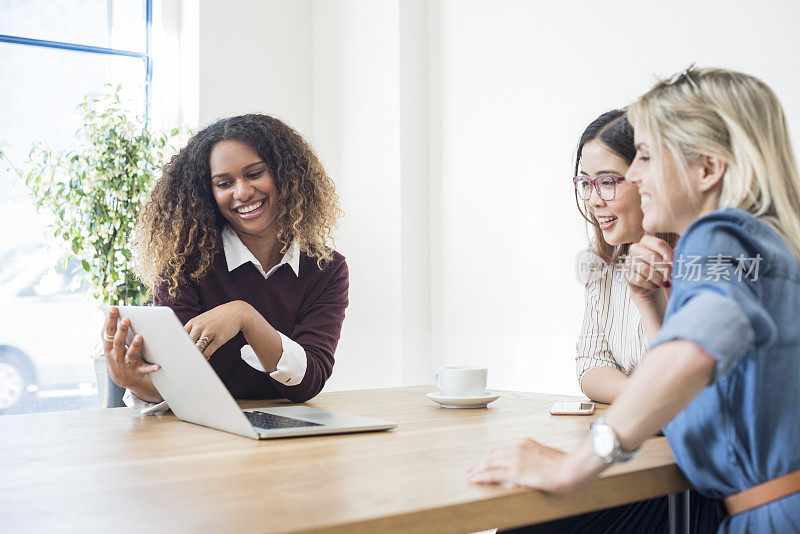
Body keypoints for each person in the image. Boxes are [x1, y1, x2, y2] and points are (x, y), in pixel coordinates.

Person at [469, 67, 800, 533]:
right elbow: (700, 381)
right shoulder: (761, 242)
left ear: (707, 169)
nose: (635, 175)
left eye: (644, 156)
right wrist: (649, 306)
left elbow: (689, 357)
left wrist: (575, 465)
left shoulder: (719, 236)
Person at [101, 114, 348, 407]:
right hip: (203, 432)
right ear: (208, 192)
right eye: (224, 183)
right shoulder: (183, 266)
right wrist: (135, 381)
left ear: (287, 174)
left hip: (288, 436)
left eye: (255, 174)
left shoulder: (326, 270)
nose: (241, 193)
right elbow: (181, 384)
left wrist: (245, 317)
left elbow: (308, 382)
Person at [573, 110, 677, 404]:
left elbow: (685, 384)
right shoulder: (601, 267)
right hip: (639, 426)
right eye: (585, 183)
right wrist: (642, 398)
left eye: (607, 182)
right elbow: (590, 363)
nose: (594, 200)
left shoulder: (702, 264)